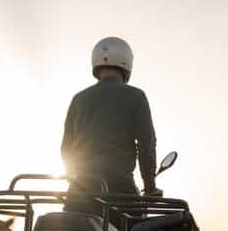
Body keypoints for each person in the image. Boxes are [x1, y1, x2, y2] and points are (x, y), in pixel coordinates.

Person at [61, 36, 162, 221]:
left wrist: (74, 177)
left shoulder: (78, 99)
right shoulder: (136, 96)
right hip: (120, 189)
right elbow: (147, 145)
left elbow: (66, 148)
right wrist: (150, 188)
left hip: (79, 191)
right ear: (126, 64)